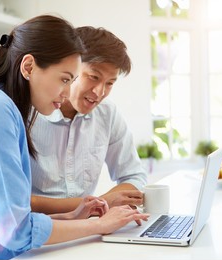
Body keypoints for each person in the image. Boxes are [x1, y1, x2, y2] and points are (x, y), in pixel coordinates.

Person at [0, 15, 148, 260]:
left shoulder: (5, 107)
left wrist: (73, 216)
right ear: (28, 67)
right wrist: (99, 225)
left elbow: (13, 219)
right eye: (65, 79)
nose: (68, 92)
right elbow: (15, 230)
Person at [30, 26, 147, 214]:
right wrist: (100, 202)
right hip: (39, 231)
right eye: (93, 77)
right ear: (71, 67)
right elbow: (17, 201)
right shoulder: (27, 113)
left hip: (87, 228)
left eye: (110, 83)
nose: (100, 92)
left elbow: (133, 176)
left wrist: (99, 204)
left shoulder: (107, 114)